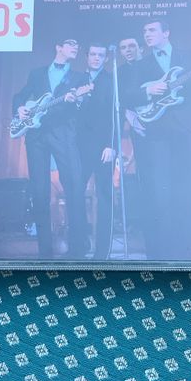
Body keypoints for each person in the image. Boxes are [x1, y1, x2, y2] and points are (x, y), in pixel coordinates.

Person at [123, 21, 191, 260]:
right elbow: (127, 96)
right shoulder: (140, 65)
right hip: (156, 133)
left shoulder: (190, 56)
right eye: (144, 31)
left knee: (189, 189)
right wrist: (148, 91)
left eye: (152, 30)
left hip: (189, 130)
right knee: (158, 192)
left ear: (166, 33)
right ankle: (161, 252)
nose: (146, 34)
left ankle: (190, 250)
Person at [13, 38, 89, 258]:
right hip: (36, 135)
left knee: (74, 187)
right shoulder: (37, 73)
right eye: (71, 44)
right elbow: (21, 95)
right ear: (58, 47)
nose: (76, 47)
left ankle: (77, 249)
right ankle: (44, 251)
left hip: (63, 135)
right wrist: (19, 108)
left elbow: (84, 105)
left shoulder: (80, 78)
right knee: (39, 191)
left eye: (77, 45)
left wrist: (75, 99)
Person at [76, 43, 115, 259]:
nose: (97, 58)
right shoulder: (76, 79)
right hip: (78, 148)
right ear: (86, 56)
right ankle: (80, 244)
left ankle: (102, 251)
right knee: (75, 194)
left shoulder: (111, 80)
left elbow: (114, 115)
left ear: (106, 58)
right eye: (93, 54)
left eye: (101, 55)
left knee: (104, 196)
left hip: (103, 148)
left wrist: (111, 145)